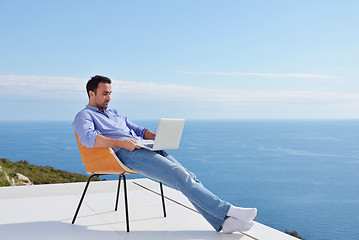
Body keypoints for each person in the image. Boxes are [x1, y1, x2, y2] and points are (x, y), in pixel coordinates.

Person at [72, 75, 257, 233]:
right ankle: (228, 210)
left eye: (110, 93)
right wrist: (123, 143)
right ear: (91, 93)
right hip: (124, 154)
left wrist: (158, 137)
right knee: (179, 175)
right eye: (105, 93)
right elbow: (88, 138)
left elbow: (140, 129)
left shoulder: (115, 113)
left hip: (140, 147)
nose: (109, 98)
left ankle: (222, 223)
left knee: (186, 176)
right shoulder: (84, 116)